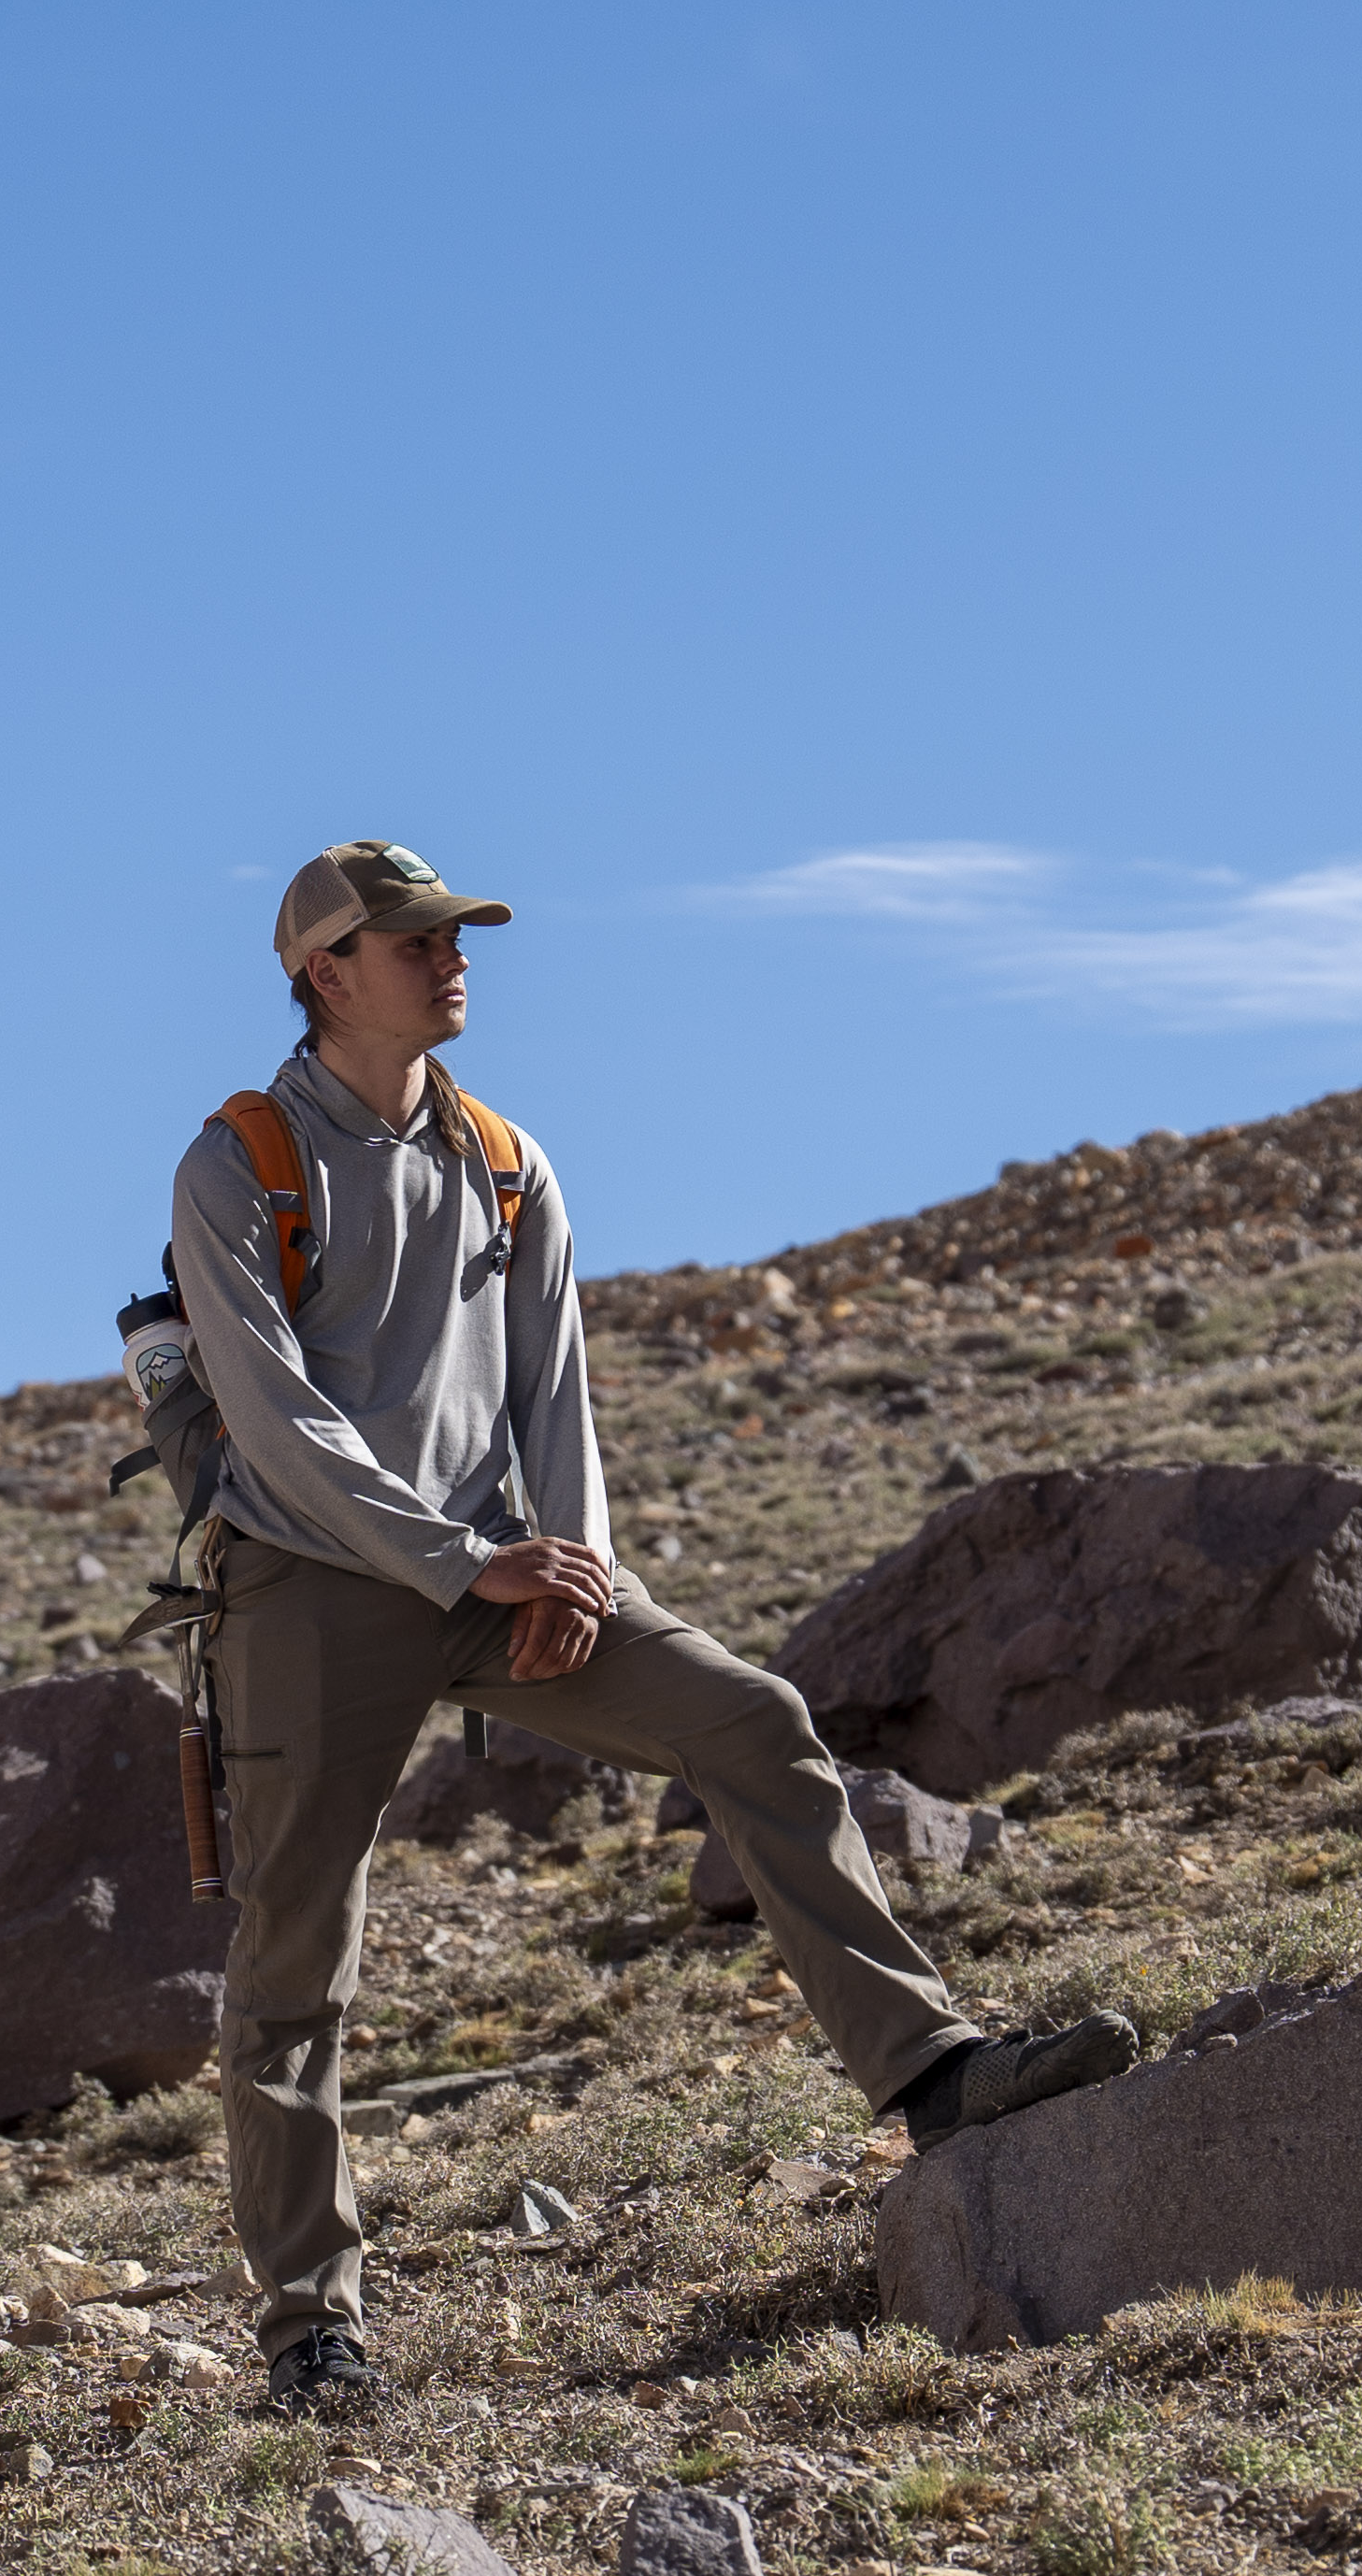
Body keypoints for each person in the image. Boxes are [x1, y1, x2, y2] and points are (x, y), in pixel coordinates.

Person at [173, 838, 1138, 2418]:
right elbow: (279, 1431)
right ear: (323, 970)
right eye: (411, 938)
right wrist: (458, 1564)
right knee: (297, 1952)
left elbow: (556, 1396)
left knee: (746, 1715)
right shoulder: (237, 1164)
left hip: (498, 1575)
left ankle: (931, 2070)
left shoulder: (506, 1161)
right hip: (314, 1582)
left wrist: (582, 1577)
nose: (450, 957)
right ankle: (310, 2330)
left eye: (454, 933)